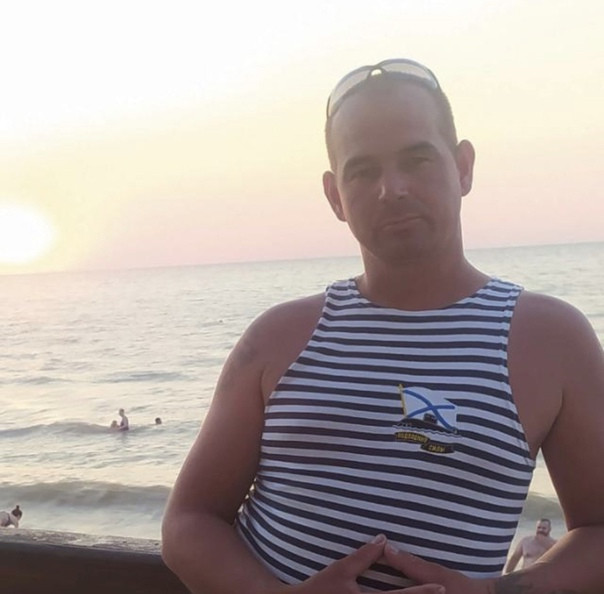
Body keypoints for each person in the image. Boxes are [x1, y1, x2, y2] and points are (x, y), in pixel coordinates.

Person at [161, 58, 604, 593]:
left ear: (463, 167)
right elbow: (189, 520)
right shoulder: (279, 338)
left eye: (417, 159)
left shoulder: (549, 340)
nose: (391, 189)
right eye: (363, 171)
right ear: (335, 197)